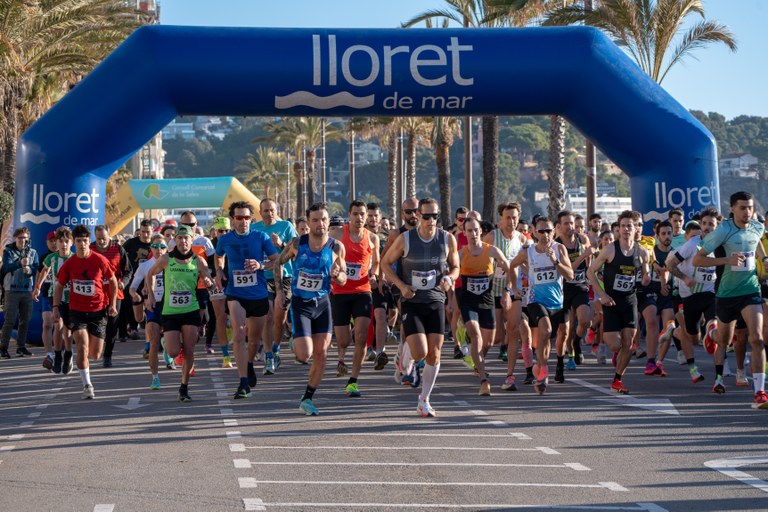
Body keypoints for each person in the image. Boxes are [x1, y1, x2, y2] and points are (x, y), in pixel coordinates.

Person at [381, 198, 460, 417]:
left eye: (435, 216)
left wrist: (450, 279)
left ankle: (424, 399)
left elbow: (456, 267)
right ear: (418, 216)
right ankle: (404, 357)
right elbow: (385, 263)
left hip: (435, 299)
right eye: (426, 216)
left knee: (434, 354)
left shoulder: (447, 239)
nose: (431, 220)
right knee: (420, 351)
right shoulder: (406, 239)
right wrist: (402, 285)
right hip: (412, 300)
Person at [693, 192, 768, 408]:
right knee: (724, 341)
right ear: (732, 208)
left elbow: (757, 243)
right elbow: (698, 259)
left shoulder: (757, 226)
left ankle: (760, 392)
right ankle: (712, 333)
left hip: (750, 290)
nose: (747, 212)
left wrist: (764, 258)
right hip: (726, 294)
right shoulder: (723, 231)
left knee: (756, 338)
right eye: (743, 208)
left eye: (750, 208)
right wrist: (727, 259)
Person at [274, 202, 347, 415]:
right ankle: (295, 340)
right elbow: (279, 262)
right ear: (308, 222)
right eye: (315, 220)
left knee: (322, 354)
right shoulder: (297, 243)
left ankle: (308, 397)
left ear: (328, 221)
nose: (320, 224)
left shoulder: (336, 247)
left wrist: (337, 276)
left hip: (323, 304)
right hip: (301, 304)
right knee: (304, 354)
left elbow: (343, 278)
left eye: (323, 219)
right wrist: (279, 291)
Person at [214, 201, 278, 399]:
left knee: (253, 341)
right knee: (239, 335)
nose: (243, 221)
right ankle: (242, 382)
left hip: (258, 294)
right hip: (236, 294)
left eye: (246, 217)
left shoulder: (261, 237)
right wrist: (218, 271)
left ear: (252, 219)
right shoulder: (225, 239)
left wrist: (260, 265)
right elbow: (218, 257)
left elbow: (276, 260)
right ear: (233, 220)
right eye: (239, 218)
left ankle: (249, 363)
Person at [147, 225, 214, 402]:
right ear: (174, 240)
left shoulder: (199, 261)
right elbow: (150, 274)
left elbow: (209, 280)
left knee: (190, 349)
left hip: (191, 309)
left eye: (187, 238)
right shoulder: (166, 259)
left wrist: (208, 281)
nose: (183, 241)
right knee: (173, 351)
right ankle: (169, 341)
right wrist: (151, 295)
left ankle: (183, 387)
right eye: (180, 238)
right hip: (170, 312)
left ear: (192, 240)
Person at [508, 217, 573, 394]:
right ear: (535, 232)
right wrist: (514, 287)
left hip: (556, 303)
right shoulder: (529, 252)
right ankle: (543, 369)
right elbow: (512, 265)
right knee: (545, 330)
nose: (545, 235)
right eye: (541, 231)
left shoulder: (559, 249)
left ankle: (540, 366)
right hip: (535, 300)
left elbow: (570, 275)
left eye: (549, 231)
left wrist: (556, 262)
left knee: (546, 340)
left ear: (554, 232)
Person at [588, 210, 651, 395]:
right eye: (622, 226)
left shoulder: (642, 252)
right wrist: (602, 295)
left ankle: (617, 379)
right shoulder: (610, 249)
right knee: (615, 345)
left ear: (635, 229)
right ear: (618, 229)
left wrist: (646, 279)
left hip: (630, 301)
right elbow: (590, 272)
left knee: (629, 345)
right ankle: (595, 330)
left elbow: (645, 274)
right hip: (611, 302)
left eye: (629, 226)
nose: (625, 229)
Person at [53, 225, 118, 399]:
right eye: (79, 241)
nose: (82, 244)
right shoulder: (70, 263)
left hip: (98, 310)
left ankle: (85, 362)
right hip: (77, 310)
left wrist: (112, 304)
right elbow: (59, 287)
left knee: (95, 354)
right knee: (81, 346)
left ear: (90, 242)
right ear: (74, 243)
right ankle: (87, 385)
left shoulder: (99, 260)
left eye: (85, 241)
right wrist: (55, 308)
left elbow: (113, 281)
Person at [329, 200, 380, 397]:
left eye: (362, 214)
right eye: (355, 214)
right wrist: (332, 268)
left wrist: (374, 275)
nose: (359, 218)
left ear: (367, 216)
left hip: (363, 290)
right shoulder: (338, 234)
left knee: (361, 336)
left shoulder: (373, 238)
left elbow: (377, 262)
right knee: (343, 340)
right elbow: (326, 252)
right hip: (340, 291)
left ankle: (353, 381)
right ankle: (341, 358)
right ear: (349, 215)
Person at [458, 217, 511, 395]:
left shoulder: (491, 251)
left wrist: (507, 291)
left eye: (475, 230)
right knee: (476, 336)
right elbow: (450, 271)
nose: (473, 234)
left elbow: (509, 268)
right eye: (469, 231)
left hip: (487, 301)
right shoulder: (461, 253)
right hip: (468, 301)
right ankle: (483, 380)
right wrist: (450, 298)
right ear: (464, 233)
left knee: (490, 341)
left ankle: (477, 359)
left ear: (481, 231)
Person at [662, 216, 718, 384]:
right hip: (687, 296)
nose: (707, 228)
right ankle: (674, 331)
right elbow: (669, 265)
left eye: (711, 225)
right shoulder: (688, 247)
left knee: (713, 324)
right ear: (687, 236)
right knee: (692, 337)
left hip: (709, 293)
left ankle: (720, 372)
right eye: (704, 224)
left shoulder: (718, 245)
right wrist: (684, 278)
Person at [483, 202, 528, 389]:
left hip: (513, 290)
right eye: (508, 217)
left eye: (515, 217)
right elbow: (480, 259)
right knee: (495, 338)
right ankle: (478, 359)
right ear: (500, 219)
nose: (512, 221)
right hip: (492, 290)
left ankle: (510, 376)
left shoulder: (522, 239)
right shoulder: (492, 237)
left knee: (513, 331)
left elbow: (527, 263)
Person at [251, 198, 299, 372]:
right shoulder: (254, 228)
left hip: (284, 277)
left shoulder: (286, 226)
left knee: (279, 319)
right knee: (268, 317)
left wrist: (281, 244)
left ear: (276, 210)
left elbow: (297, 251)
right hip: (262, 276)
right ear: (260, 212)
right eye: (265, 211)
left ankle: (276, 349)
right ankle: (269, 356)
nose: (269, 214)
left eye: (272, 210)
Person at [554, 210, 593, 379]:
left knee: (585, 320)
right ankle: (559, 364)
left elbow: (588, 262)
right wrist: (583, 255)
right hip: (562, 290)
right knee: (562, 332)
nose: (570, 227)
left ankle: (577, 342)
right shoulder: (556, 245)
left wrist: (588, 261)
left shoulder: (582, 240)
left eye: (573, 224)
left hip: (579, 287)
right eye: (567, 224)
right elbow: (568, 271)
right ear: (559, 226)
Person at [33, 227, 74, 374]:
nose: (63, 244)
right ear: (56, 243)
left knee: (67, 329)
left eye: (66, 241)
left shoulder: (74, 258)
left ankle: (68, 354)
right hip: (54, 295)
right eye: (60, 241)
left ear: (71, 243)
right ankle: (57, 355)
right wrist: (38, 286)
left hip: (71, 298)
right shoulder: (52, 258)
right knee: (58, 325)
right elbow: (45, 270)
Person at [91, 225, 132, 368]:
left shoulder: (118, 249)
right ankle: (97, 347)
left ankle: (107, 355)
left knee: (112, 326)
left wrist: (123, 283)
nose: (101, 241)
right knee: (96, 324)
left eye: (104, 238)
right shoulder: (90, 249)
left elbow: (128, 270)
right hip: (95, 294)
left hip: (115, 293)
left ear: (110, 235)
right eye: (98, 239)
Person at [1, 227, 38, 359]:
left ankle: (21, 347)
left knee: (25, 320)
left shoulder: (33, 252)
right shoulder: (8, 251)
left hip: (26, 290)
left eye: (25, 238)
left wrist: (30, 270)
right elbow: (6, 266)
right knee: (9, 320)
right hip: (11, 289)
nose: (23, 240)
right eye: (20, 238)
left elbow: (36, 268)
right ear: (15, 238)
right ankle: (3, 348)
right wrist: (19, 263)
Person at [121, 219, 153, 342]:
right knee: (130, 303)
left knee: (149, 303)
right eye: (143, 232)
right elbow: (121, 255)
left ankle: (148, 324)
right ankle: (134, 328)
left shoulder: (155, 245)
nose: (145, 234)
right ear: (139, 231)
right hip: (133, 278)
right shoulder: (131, 243)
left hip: (149, 279)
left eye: (148, 232)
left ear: (152, 231)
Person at [207, 216, 233, 365]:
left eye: (227, 230)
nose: (223, 233)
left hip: (234, 283)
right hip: (217, 284)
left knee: (238, 318)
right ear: (215, 231)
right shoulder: (210, 246)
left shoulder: (234, 242)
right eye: (220, 230)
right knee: (220, 318)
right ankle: (225, 356)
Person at [34, 232, 58, 369]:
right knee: (47, 324)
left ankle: (62, 352)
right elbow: (39, 274)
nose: (54, 243)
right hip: (46, 295)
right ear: (47, 243)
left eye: (56, 240)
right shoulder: (44, 257)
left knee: (60, 326)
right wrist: (36, 288)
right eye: (51, 241)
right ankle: (49, 354)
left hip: (62, 296)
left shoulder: (66, 257)